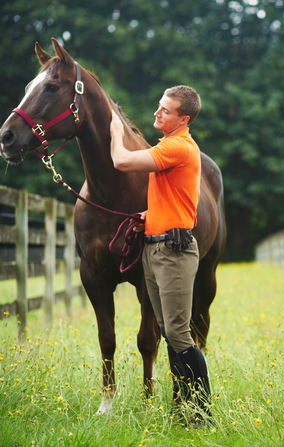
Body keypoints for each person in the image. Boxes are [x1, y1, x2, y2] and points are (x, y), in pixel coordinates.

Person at [109, 85, 211, 423]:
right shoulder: (171, 146)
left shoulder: (178, 146)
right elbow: (182, 199)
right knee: (168, 329)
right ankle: (182, 407)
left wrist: (115, 129)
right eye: (158, 106)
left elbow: (121, 161)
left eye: (165, 110)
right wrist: (149, 217)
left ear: (183, 119)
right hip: (156, 245)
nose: (157, 112)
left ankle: (200, 413)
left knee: (179, 333)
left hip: (173, 251)